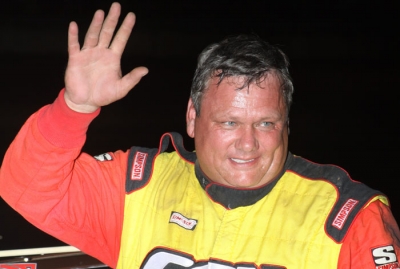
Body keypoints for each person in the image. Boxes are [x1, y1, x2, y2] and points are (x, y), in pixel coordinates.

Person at [0, 2, 399, 268]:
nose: (248, 143)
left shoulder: (349, 217)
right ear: (192, 118)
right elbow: (27, 188)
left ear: (286, 122)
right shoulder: (138, 186)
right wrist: (74, 108)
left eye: (266, 123)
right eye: (228, 122)